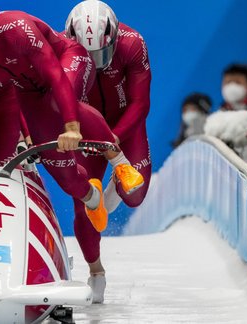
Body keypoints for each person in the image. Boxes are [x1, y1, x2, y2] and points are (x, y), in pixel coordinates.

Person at [0, 11, 143, 250]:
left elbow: (55, 75)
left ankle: (120, 162)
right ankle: (93, 198)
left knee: (57, 103)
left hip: (65, 62)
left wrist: (72, 127)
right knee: (65, 177)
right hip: (30, 93)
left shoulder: (15, 30)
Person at [65, 0, 152, 303]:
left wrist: (112, 139)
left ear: (114, 37)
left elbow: (141, 103)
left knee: (135, 193)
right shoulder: (59, 47)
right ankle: (96, 272)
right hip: (85, 127)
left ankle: (114, 182)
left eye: (102, 54)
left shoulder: (133, 44)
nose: (96, 62)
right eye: (87, 56)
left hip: (123, 125)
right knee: (83, 204)